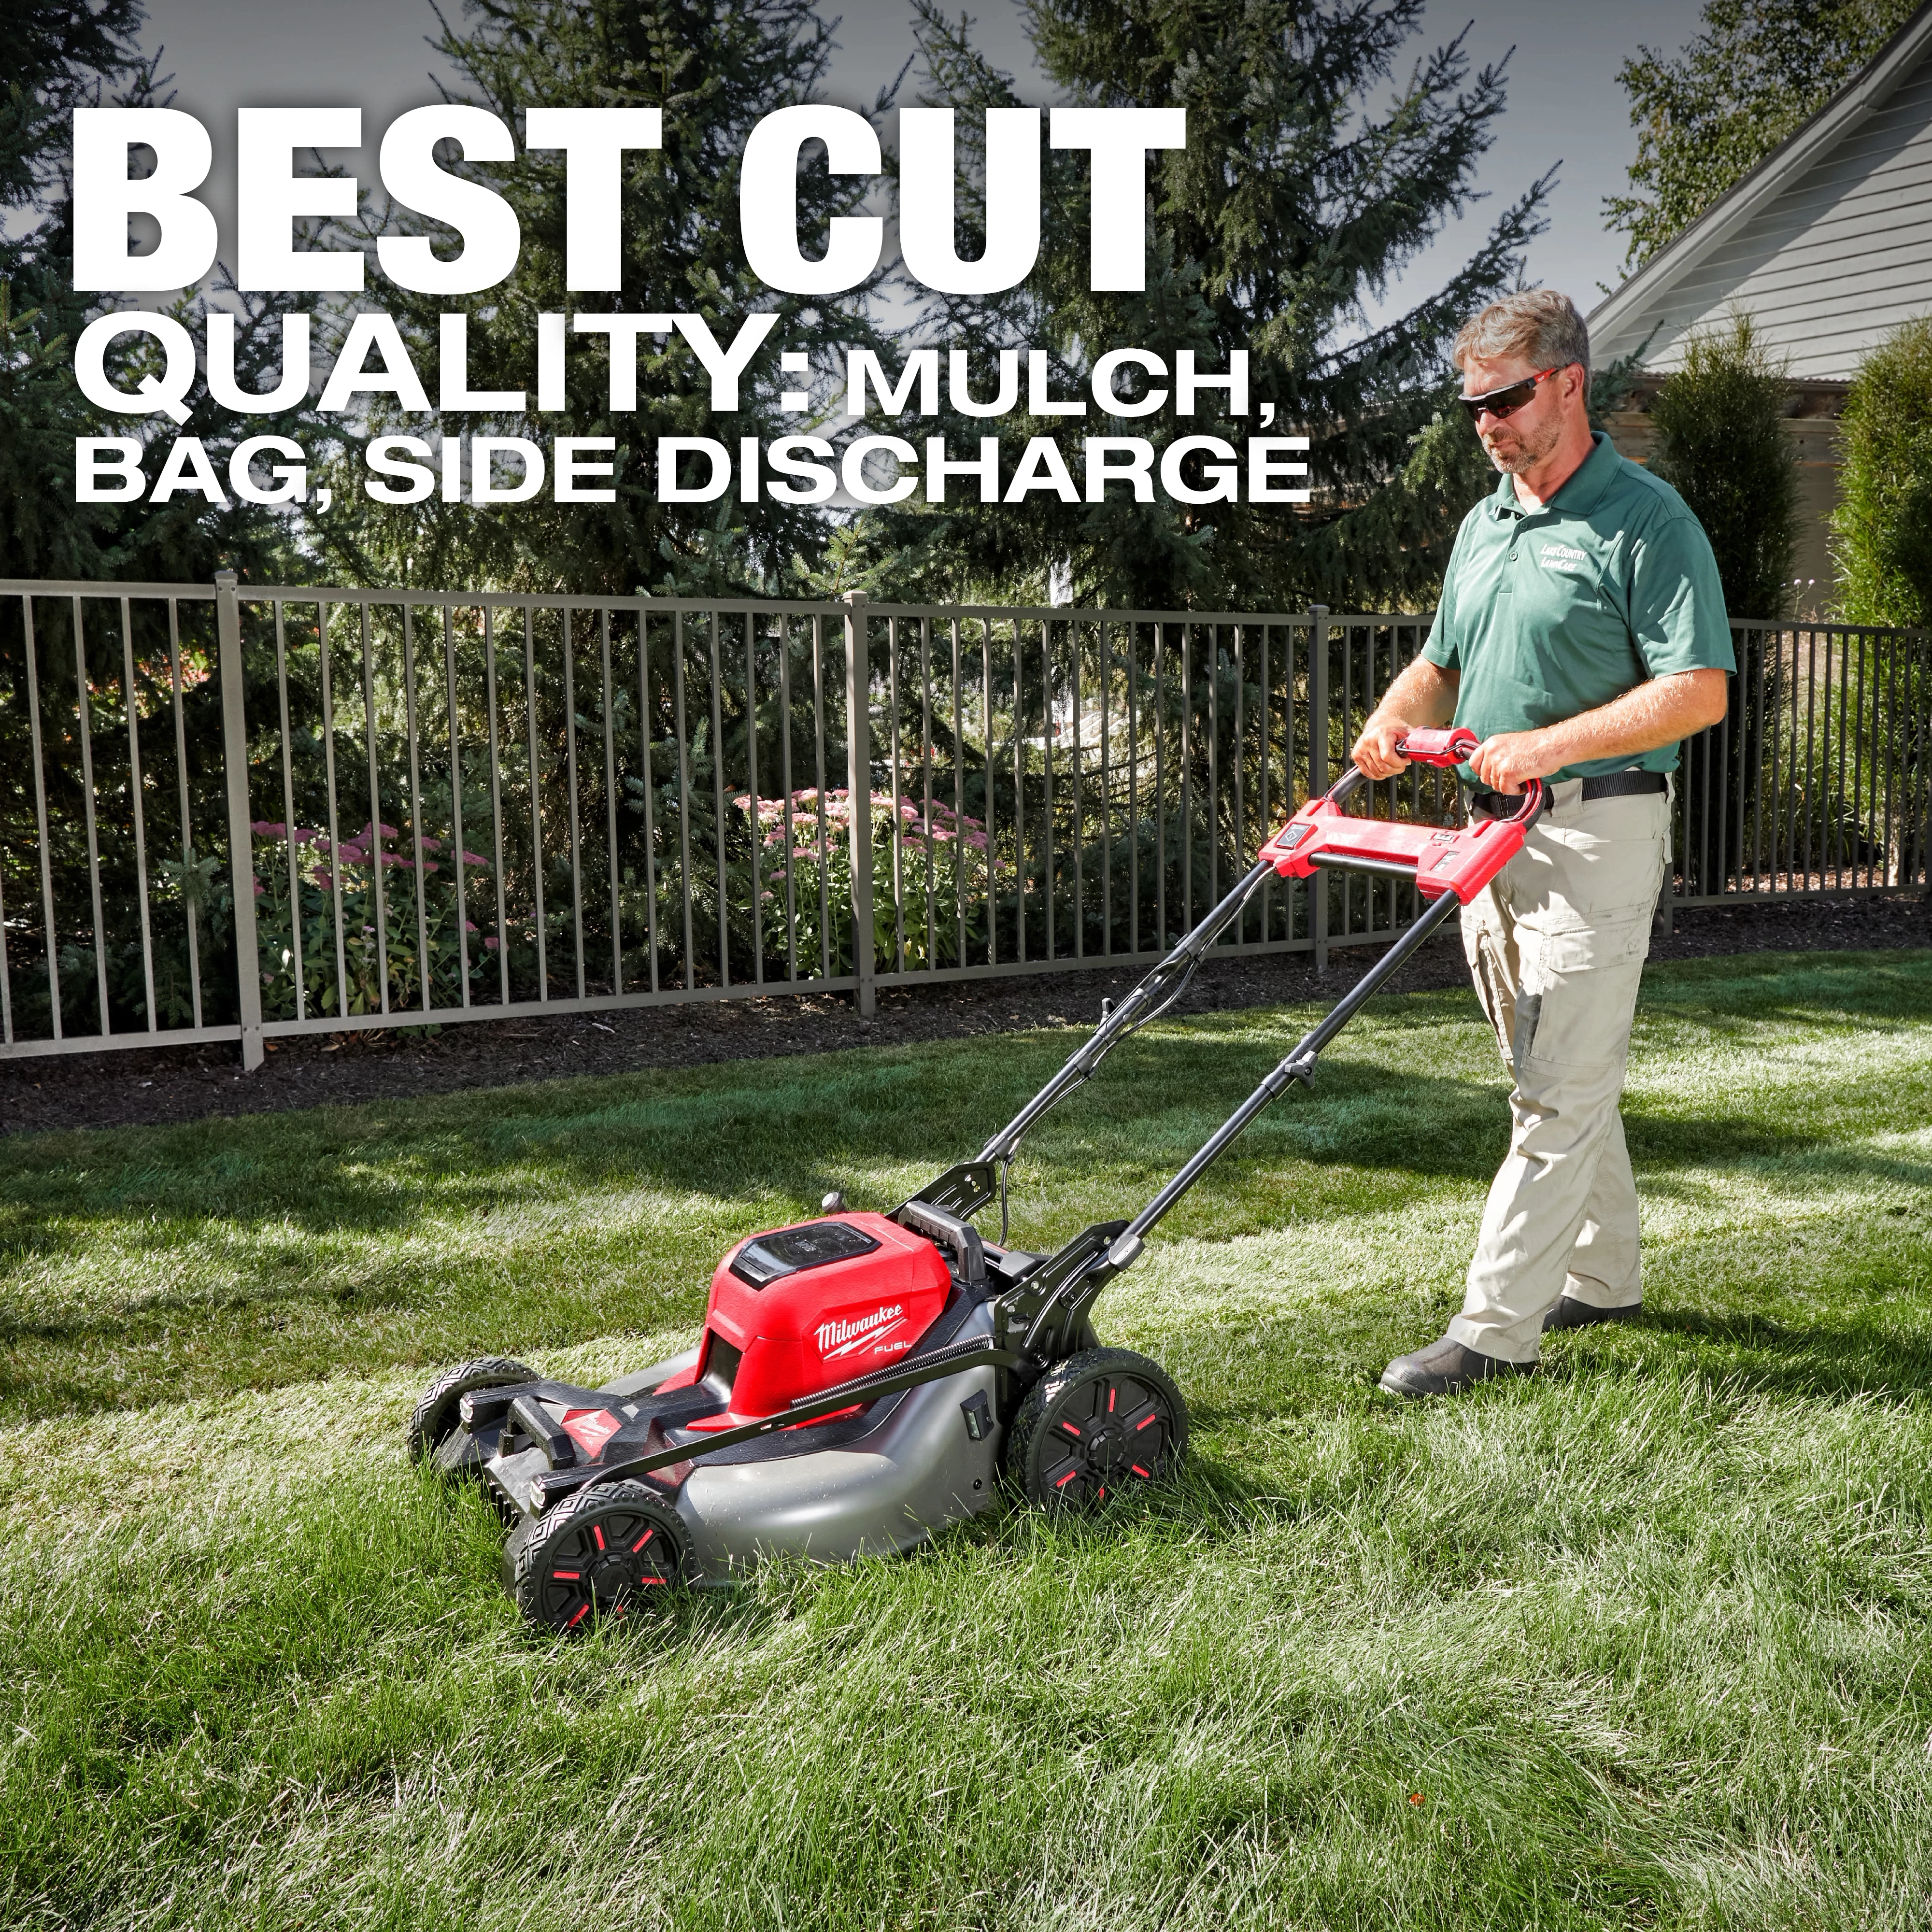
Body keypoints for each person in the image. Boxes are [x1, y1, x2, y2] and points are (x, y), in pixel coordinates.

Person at [1358, 290, 1733, 1399]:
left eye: (1506, 399)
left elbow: (1696, 690)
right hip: (1492, 842)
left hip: (1596, 829)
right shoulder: (1487, 522)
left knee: (1555, 1088)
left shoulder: (1645, 520)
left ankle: (1491, 1328)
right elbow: (1441, 659)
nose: (1487, 423)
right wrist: (1392, 716)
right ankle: (1603, 1274)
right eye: (1473, 404)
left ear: (1568, 383)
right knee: (1554, 1071)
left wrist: (1544, 746)